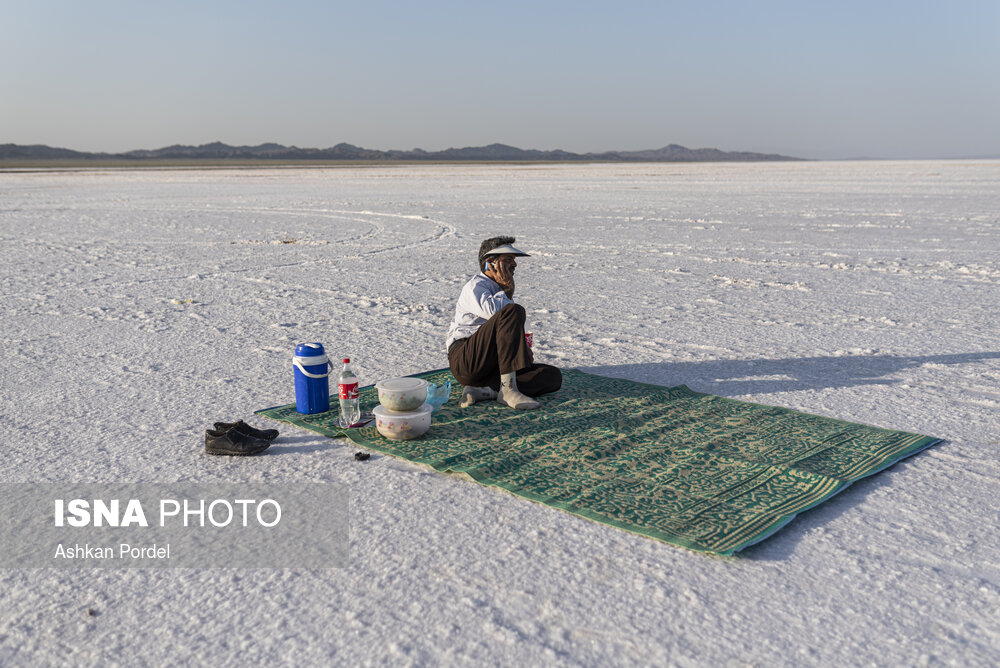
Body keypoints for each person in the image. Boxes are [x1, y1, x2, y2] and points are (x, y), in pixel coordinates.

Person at [446, 236, 562, 409]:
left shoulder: (499, 290)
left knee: (552, 376)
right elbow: (498, 314)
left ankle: (485, 391)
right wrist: (507, 289)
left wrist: (522, 349)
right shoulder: (475, 287)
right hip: (467, 360)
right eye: (508, 260)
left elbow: (505, 330)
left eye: (514, 261)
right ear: (489, 263)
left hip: (491, 365)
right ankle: (508, 390)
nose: (514, 265)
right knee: (514, 310)